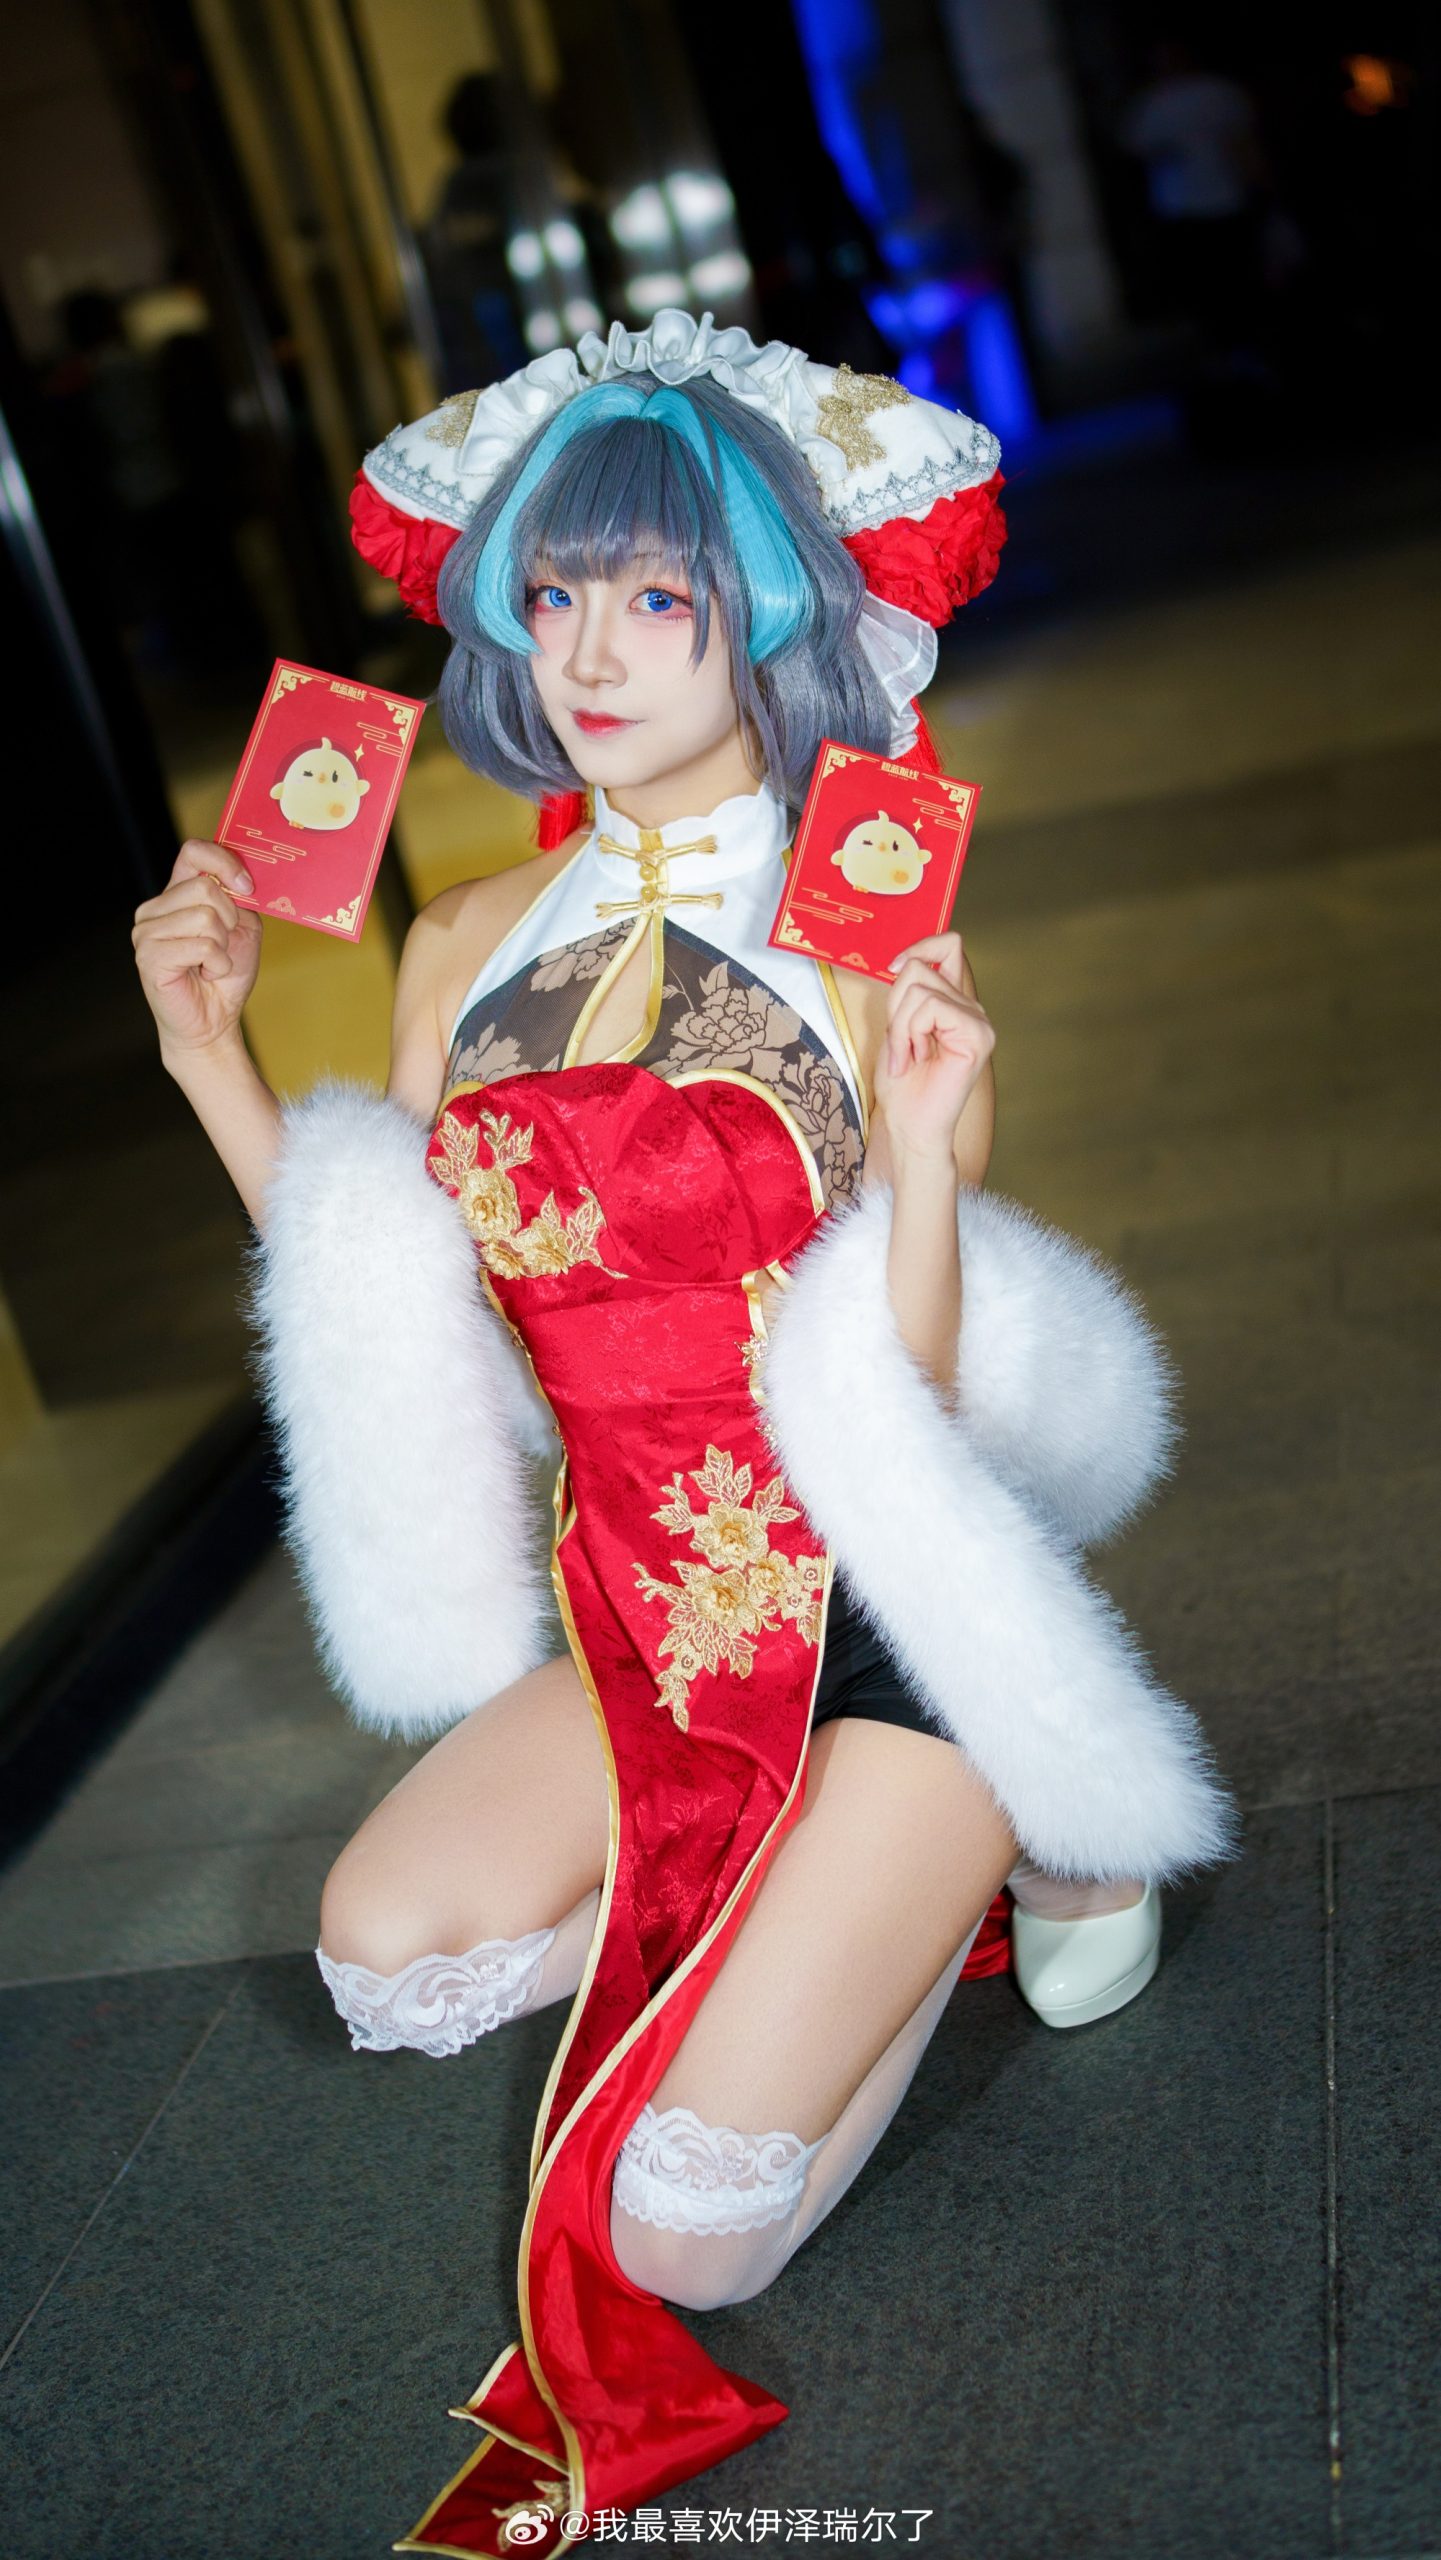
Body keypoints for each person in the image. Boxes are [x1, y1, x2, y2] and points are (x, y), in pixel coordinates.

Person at [131, 310, 1235, 2555]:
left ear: (764, 616)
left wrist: (920, 1154)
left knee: (688, 2234)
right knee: (388, 1949)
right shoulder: (458, 938)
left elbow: (911, 1401)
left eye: (657, 596)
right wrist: (212, 1062)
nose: (594, 649)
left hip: (880, 1614)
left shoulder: (860, 922)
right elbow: (418, 1317)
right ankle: (806, 1887)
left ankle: (976, 1823)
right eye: (555, 594)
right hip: (638, 1617)